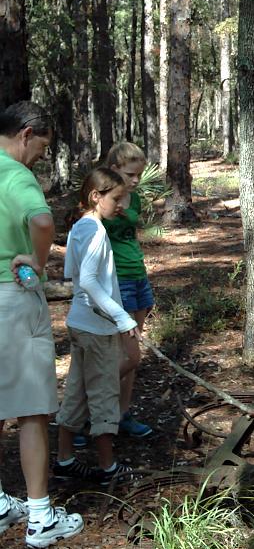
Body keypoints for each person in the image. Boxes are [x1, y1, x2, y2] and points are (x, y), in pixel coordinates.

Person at [0, 101, 84, 548]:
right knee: (31, 409)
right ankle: (39, 517)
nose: (40, 159)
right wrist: (35, 260)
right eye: (41, 149)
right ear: (27, 133)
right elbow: (43, 220)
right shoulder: (15, 175)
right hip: (12, 297)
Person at [53, 168, 139, 485]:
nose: (120, 205)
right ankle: (108, 468)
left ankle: (65, 459)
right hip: (97, 331)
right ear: (96, 196)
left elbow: (71, 273)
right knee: (103, 396)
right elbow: (87, 280)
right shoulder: (96, 232)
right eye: (115, 198)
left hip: (79, 324)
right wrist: (121, 317)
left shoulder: (80, 227)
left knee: (76, 391)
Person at [102, 142, 153, 438]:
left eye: (139, 174)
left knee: (133, 354)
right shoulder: (102, 201)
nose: (136, 180)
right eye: (131, 174)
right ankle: (87, 409)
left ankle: (122, 413)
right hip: (116, 280)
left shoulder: (133, 200)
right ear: (114, 169)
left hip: (137, 275)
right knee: (123, 354)